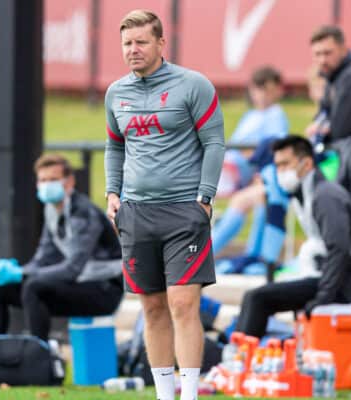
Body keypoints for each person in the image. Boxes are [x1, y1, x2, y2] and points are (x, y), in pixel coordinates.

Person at [104, 10, 225, 400]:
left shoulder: (193, 85)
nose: (133, 50)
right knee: (152, 308)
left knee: (183, 303)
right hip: (136, 214)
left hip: (183, 212)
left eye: (141, 42)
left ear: (160, 44)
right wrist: (112, 193)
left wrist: (205, 198)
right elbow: (115, 146)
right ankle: (164, 394)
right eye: (127, 43)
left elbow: (214, 143)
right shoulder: (116, 93)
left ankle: (188, 395)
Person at [235, 136, 351, 338]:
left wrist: (323, 298)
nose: (280, 172)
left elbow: (339, 249)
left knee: (257, 298)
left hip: (342, 283)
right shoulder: (304, 193)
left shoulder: (325, 196)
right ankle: (243, 354)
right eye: (277, 165)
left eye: (285, 164)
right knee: (258, 296)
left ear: (307, 163)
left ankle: (242, 358)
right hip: (325, 274)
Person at [0, 154, 123, 341]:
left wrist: (24, 275)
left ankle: (39, 355)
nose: (47, 185)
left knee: (34, 286)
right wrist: (18, 272)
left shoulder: (83, 213)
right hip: (78, 284)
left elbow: (73, 268)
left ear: (69, 182)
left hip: (104, 289)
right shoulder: (51, 209)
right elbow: (43, 258)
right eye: (42, 180)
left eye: (53, 180)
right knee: (0, 290)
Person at [211, 66, 289, 270]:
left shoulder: (276, 115)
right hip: (234, 174)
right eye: (258, 90)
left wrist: (257, 169)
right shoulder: (251, 116)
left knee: (245, 201)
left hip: (258, 177)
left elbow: (271, 150)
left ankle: (207, 255)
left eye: (268, 90)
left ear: (277, 91)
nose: (262, 96)